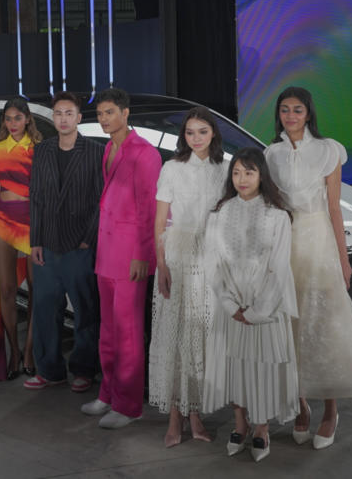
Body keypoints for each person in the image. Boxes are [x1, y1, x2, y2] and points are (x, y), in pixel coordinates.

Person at [264, 86, 352, 449]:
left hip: (319, 241)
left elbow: (334, 208)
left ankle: (331, 410)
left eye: (297, 110)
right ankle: (300, 406)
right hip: (286, 242)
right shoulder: (271, 154)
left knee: (325, 323)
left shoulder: (328, 150)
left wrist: (343, 260)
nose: (290, 116)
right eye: (285, 110)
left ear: (309, 113)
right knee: (290, 325)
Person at [202, 148, 298, 463]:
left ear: (262, 175)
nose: (242, 179)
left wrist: (258, 311)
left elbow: (280, 268)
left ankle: (261, 427)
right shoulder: (219, 214)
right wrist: (231, 306)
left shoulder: (278, 216)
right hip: (230, 309)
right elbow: (212, 264)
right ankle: (240, 424)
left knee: (262, 367)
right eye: (236, 172)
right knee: (234, 367)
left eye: (249, 172)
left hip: (266, 308)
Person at [81, 88, 161, 429]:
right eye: (100, 113)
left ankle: (129, 406)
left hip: (131, 256)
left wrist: (143, 255)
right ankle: (108, 393)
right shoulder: (108, 148)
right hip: (106, 253)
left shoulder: (145, 153)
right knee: (108, 330)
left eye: (110, 112)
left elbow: (149, 209)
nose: (103, 119)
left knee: (128, 333)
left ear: (125, 113)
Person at [149, 107, 228, 446]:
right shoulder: (172, 168)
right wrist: (161, 265)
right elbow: (159, 221)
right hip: (178, 256)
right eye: (190, 132)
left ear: (214, 134)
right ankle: (173, 417)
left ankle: (195, 415)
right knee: (175, 336)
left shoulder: (225, 169)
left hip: (211, 258)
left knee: (202, 336)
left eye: (203, 132)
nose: (196, 138)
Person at [24, 92, 103, 393]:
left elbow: (101, 200)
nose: (63, 118)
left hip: (79, 246)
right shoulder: (42, 150)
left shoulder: (95, 152)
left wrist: (88, 239)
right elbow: (36, 197)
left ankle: (83, 369)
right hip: (47, 244)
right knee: (45, 309)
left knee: (85, 310)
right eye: (58, 113)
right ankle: (49, 370)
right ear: (53, 117)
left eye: (69, 113)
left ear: (79, 118)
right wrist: (35, 240)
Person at [0, 97, 42, 385]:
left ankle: (29, 352)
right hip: (3, 224)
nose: (13, 123)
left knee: (38, 291)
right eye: (8, 118)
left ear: (27, 119)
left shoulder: (39, 149)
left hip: (33, 225)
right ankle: (13, 352)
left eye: (18, 118)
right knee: (6, 290)